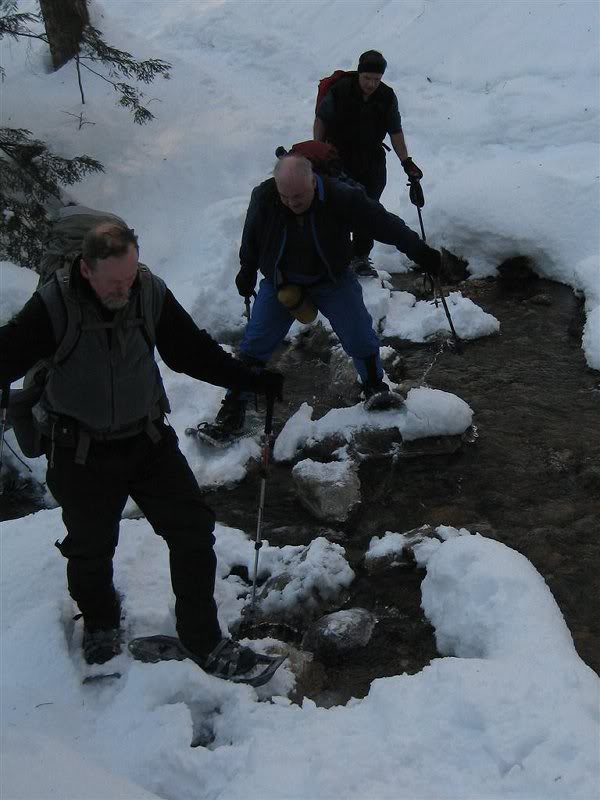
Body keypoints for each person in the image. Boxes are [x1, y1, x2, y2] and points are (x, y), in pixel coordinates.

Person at [0, 222, 283, 676]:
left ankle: (202, 638)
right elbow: (8, 353)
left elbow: (190, 351)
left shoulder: (147, 291)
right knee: (90, 548)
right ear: (86, 270)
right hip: (80, 451)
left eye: (130, 277)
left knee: (192, 530)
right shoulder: (54, 304)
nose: (125, 288)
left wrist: (250, 380)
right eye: (115, 282)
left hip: (147, 439)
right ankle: (100, 621)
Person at [209, 153, 442, 439]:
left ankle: (373, 388)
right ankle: (233, 407)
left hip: (332, 278)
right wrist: (247, 268)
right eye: (286, 197)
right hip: (281, 280)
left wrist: (419, 251)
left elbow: (384, 224)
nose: (292, 203)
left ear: (313, 182)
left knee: (358, 333)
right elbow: (252, 235)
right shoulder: (266, 196)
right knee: (256, 343)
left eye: (299, 196)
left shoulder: (341, 196)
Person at [313, 50, 424, 275]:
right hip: (339, 158)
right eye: (367, 78)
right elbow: (321, 120)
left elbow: (395, 132)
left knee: (369, 206)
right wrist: (319, 151)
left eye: (377, 79)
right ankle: (338, 256)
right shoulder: (340, 90)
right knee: (339, 206)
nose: (372, 84)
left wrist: (407, 162)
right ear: (359, 74)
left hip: (372, 159)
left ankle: (360, 257)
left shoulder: (386, 96)